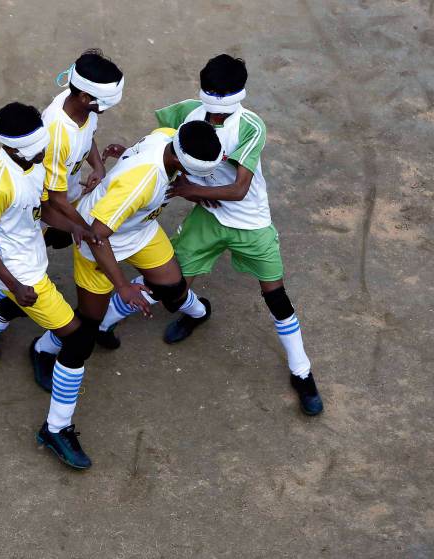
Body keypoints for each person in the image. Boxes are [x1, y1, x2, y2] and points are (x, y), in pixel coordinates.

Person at [98, 54, 323, 416]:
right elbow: (167, 150)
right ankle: (108, 323)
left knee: (276, 296)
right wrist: (131, 155)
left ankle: (302, 372)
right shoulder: (187, 112)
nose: (214, 116)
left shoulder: (251, 126)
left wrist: (195, 191)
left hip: (251, 223)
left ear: (239, 96)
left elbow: (237, 190)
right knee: (165, 284)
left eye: (222, 104)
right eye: (211, 101)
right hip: (207, 218)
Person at [0, 102, 101, 469]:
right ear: (13, 147)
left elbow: (42, 205)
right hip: (19, 273)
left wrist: (74, 227)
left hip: (28, 261)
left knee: (11, 305)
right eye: (38, 147)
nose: (45, 152)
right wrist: (14, 282)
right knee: (77, 338)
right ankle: (56, 429)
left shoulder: (32, 160)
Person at [28, 121, 224, 388]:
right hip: (100, 242)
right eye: (194, 172)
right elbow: (97, 236)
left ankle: (195, 312)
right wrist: (122, 286)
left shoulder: (168, 137)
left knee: (171, 287)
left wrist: (191, 190)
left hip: (140, 230)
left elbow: (145, 158)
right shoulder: (142, 184)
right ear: (178, 158)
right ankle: (42, 349)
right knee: (88, 321)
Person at [0, 49, 125, 358]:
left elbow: (90, 136)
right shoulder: (56, 132)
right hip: (45, 206)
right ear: (83, 96)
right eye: (102, 102)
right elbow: (53, 201)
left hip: (60, 202)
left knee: (41, 246)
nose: (104, 109)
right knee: (18, 268)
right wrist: (83, 226)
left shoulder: (86, 110)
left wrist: (98, 166)